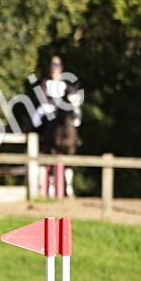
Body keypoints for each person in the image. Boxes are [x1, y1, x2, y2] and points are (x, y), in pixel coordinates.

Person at [31, 57, 84, 197]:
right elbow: (43, 97)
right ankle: (35, 135)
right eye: (53, 70)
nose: (55, 73)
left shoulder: (65, 83)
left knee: (73, 116)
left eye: (57, 70)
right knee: (37, 116)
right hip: (49, 106)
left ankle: (76, 136)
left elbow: (69, 97)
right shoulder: (45, 83)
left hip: (61, 108)